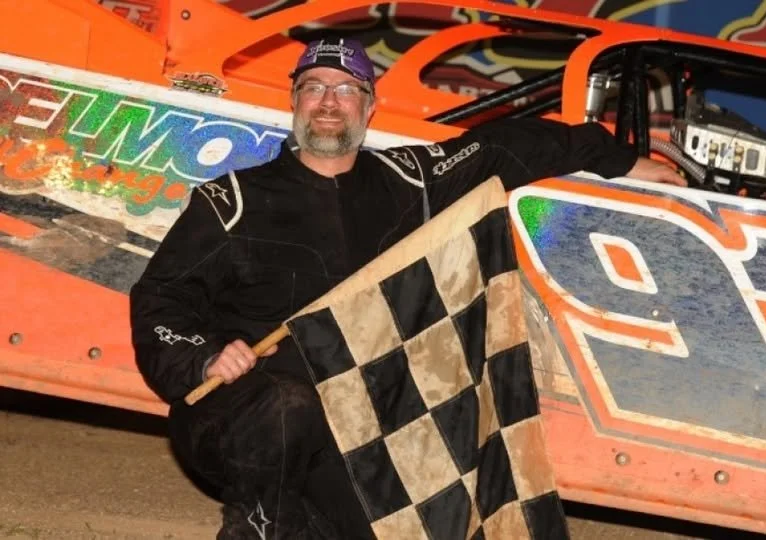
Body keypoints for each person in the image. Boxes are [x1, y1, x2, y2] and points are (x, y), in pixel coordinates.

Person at [130, 37, 685, 539]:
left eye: (347, 90)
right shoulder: (231, 202)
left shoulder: (411, 179)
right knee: (284, 404)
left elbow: (506, 146)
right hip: (239, 416)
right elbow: (160, 300)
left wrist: (622, 161)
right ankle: (258, 527)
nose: (328, 102)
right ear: (294, 101)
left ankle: (311, 520)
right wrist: (202, 357)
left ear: (369, 108)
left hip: (356, 430)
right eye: (314, 88)